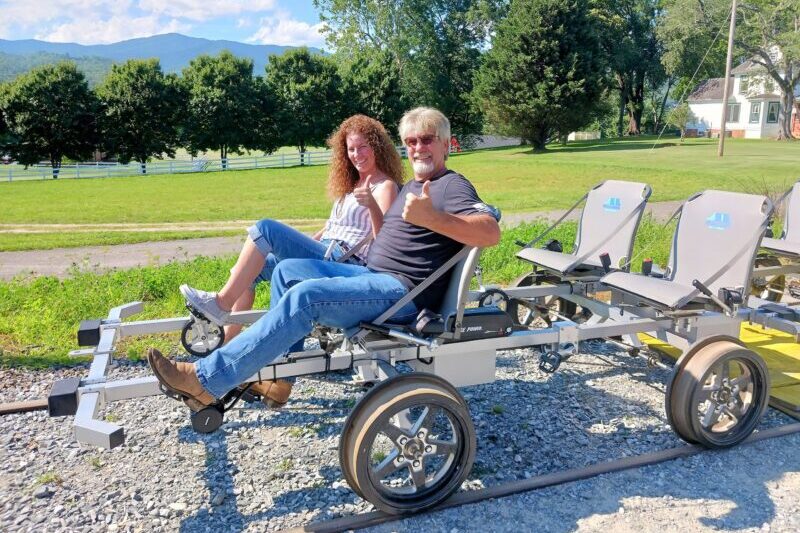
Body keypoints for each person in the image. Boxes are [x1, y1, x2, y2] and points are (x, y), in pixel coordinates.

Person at [148, 107, 501, 412]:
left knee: (307, 297)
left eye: (426, 139)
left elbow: (489, 231)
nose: (418, 148)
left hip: (400, 294)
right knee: (286, 271)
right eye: (411, 142)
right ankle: (280, 375)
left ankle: (207, 380)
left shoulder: (452, 185)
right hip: (373, 276)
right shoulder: (413, 185)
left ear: (445, 144)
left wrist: (436, 220)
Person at [178, 115, 404, 405]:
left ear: (377, 147)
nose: (356, 155)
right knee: (250, 267)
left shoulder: (384, 186)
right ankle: (231, 343)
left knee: (265, 229)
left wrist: (371, 205)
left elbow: (384, 240)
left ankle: (220, 306)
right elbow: (329, 227)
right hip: (323, 250)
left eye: (362, 147)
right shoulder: (353, 184)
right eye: (350, 149)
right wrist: (303, 242)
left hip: (345, 263)